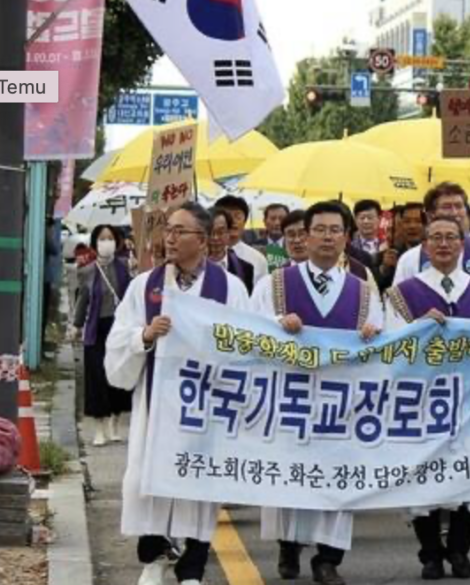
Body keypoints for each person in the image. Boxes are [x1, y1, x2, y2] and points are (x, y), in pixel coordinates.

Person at [104, 203, 250, 585]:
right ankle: (153, 555)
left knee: (200, 484)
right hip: (157, 404)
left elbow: (247, 345)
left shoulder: (228, 288)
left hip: (207, 405)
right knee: (146, 479)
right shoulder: (145, 286)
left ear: (202, 240)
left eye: (179, 231)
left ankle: (192, 569)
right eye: (167, 229)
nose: (169, 237)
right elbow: (118, 340)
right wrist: (145, 336)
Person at [253, 201, 383, 585]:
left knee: (337, 475)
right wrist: (278, 324)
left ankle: (328, 557)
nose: (327, 237)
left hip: (341, 402)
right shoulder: (274, 285)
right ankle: (288, 546)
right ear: (304, 236)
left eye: (335, 231)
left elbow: (383, 337)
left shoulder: (362, 291)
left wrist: (373, 336)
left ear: (347, 237)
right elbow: (249, 332)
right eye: (320, 230)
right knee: (290, 474)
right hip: (290, 397)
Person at [384, 217, 470, 580]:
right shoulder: (403, 293)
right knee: (424, 476)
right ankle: (430, 553)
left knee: (468, 476)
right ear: (425, 246)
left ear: (462, 245)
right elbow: (390, 346)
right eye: (436, 238)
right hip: (422, 398)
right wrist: (417, 328)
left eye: (452, 237)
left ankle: (460, 550)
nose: (444, 244)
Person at [72, 225, 132, 447]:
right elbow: (82, 301)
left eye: (110, 238)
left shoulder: (126, 267)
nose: (106, 242)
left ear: (117, 242)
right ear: (95, 243)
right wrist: (77, 326)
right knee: (97, 377)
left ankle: (114, 423)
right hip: (96, 329)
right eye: (102, 238)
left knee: (117, 375)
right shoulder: (87, 271)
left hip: (120, 329)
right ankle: (99, 427)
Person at [393, 183, 470, 285]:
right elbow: (399, 300)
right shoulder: (410, 259)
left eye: (459, 206)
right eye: (447, 207)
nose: (455, 213)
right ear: (431, 214)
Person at [217, 195, 269, 284]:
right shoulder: (205, 256)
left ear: (245, 221)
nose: (233, 221)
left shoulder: (258, 259)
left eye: (238, 216)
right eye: (228, 216)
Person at [379, 203, 426, 290]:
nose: (412, 226)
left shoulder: (438, 254)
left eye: (418, 221)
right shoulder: (387, 255)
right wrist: (385, 269)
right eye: (407, 221)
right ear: (400, 225)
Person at [257, 203, 291, 273]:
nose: (277, 223)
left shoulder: (295, 246)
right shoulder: (254, 247)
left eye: (281, 219)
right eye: (273, 218)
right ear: (265, 222)